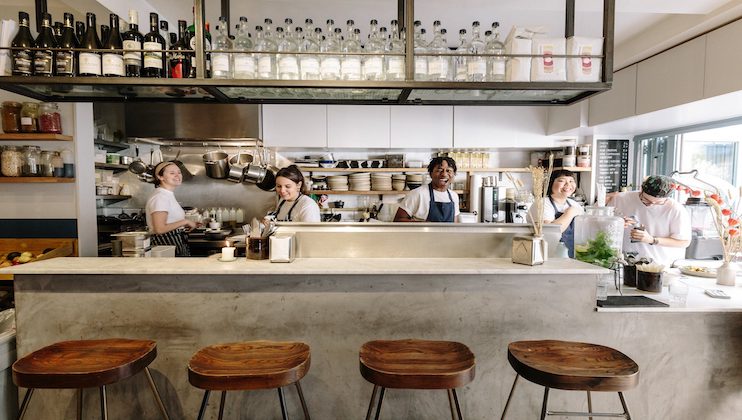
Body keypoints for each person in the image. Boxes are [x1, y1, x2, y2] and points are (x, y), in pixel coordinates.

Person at [608, 175, 691, 267]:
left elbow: (684, 242)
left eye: (658, 203)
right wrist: (618, 223)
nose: (651, 205)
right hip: (624, 263)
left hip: (658, 266)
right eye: (646, 200)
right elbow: (601, 224)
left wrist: (652, 240)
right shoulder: (621, 199)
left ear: (667, 197)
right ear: (641, 190)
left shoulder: (676, 210)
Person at [145, 161, 198, 256]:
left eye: (179, 172)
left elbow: (169, 222)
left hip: (174, 241)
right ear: (160, 177)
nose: (177, 175)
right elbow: (160, 229)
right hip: (165, 243)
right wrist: (185, 222)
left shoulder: (167, 194)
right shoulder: (160, 197)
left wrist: (184, 225)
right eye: (172, 173)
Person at [531, 169, 585, 257]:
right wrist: (570, 212)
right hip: (547, 253)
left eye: (571, 181)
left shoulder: (573, 204)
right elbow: (550, 232)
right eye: (562, 181)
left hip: (571, 253)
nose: (568, 185)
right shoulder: (542, 203)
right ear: (550, 183)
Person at [394, 157, 459, 222]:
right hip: (422, 232)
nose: (444, 174)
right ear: (430, 174)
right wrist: (422, 224)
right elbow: (398, 220)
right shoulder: (417, 194)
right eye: (439, 170)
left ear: (454, 174)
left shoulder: (454, 196)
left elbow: (455, 223)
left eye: (448, 171)